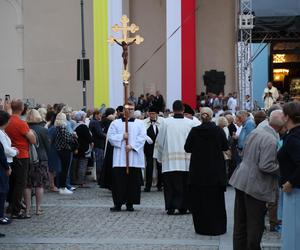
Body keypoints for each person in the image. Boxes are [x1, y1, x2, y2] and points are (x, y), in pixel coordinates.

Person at [230, 110, 284, 250]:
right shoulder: (270, 138)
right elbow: (266, 165)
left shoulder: (257, 131)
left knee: (240, 223)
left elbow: (243, 150)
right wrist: (282, 169)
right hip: (255, 185)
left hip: (242, 179)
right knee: (255, 225)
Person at [184, 107, 228, 235]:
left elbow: (187, 148)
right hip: (215, 172)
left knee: (200, 201)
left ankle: (202, 227)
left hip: (198, 172)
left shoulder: (195, 131)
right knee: (216, 202)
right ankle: (217, 227)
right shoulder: (218, 131)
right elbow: (225, 146)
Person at [154, 100, 196, 215]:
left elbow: (160, 141)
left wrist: (159, 157)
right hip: (186, 161)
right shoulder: (191, 123)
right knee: (185, 184)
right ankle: (184, 207)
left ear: (172, 110)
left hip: (169, 161)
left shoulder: (166, 122)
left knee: (170, 185)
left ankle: (171, 207)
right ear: (183, 110)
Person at [107, 103, 146, 212]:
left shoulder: (140, 123)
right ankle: (118, 203)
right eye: (129, 109)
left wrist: (132, 146)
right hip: (120, 159)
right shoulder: (115, 123)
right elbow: (110, 137)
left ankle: (130, 203)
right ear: (124, 110)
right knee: (119, 183)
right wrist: (122, 137)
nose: (131, 111)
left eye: (133, 109)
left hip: (133, 158)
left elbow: (142, 137)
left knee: (132, 183)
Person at [5, 99, 36, 218]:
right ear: (22, 109)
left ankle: (11, 206)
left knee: (12, 183)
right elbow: (32, 139)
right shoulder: (21, 123)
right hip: (22, 155)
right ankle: (16, 210)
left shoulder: (7, 120)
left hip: (10, 155)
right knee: (20, 183)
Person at [277, 102, 300, 250]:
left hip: (295, 190)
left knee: (293, 233)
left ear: (287, 117)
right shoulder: (291, 135)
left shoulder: (293, 138)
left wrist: (291, 182)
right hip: (293, 190)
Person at [24, 109, 50, 217]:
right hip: (41, 159)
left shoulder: (25, 128)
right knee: (39, 184)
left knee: (27, 185)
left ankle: (28, 209)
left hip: (27, 159)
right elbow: (47, 146)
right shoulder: (43, 130)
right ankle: (39, 208)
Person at [143, 107, 164, 192]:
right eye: (150, 113)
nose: (152, 115)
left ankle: (160, 185)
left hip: (159, 148)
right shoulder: (144, 122)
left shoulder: (162, 122)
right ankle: (148, 186)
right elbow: (142, 133)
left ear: (157, 114)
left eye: (153, 113)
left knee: (160, 167)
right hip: (149, 148)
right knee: (149, 167)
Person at [0, 111, 15, 228]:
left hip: (5, 162)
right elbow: (2, 151)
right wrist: (7, 166)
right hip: (3, 164)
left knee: (4, 189)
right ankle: (1, 215)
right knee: (2, 190)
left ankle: (1, 214)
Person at [74, 111, 93, 188]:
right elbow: (89, 137)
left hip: (78, 147)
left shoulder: (76, 126)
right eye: (84, 117)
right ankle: (81, 181)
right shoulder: (83, 126)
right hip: (84, 148)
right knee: (83, 165)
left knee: (78, 164)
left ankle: (77, 179)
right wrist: (91, 141)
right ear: (82, 117)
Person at [89, 110, 106, 184]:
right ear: (96, 115)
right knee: (99, 161)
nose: (100, 116)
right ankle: (99, 178)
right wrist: (107, 136)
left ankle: (98, 177)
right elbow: (99, 133)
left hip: (96, 143)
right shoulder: (95, 122)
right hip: (98, 144)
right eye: (99, 115)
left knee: (98, 161)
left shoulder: (92, 122)